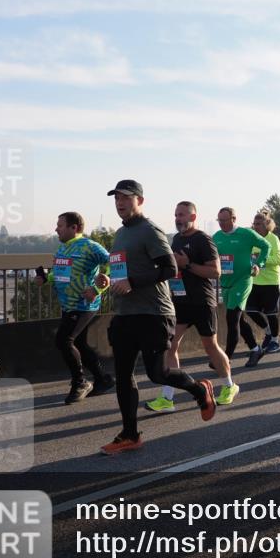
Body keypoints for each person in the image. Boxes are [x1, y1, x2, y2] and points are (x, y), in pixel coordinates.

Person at [99, 180, 215, 455]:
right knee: (123, 375)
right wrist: (108, 281)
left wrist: (133, 282)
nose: (120, 202)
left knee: (158, 373)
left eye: (126, 197)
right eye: (116, 198)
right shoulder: (120, 234)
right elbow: (124, 272)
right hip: (125, 313)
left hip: (154, 313)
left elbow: (169, 268)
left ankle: (200, 390)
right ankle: (130, 435)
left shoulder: (150, 230)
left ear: (139, 200)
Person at [145, 201, 237, 413]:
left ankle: (229, 386)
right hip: (180, 301)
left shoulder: (203, 239)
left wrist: (187, 264)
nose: (178, 219)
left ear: (193, 217)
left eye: (182, 215)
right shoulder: (176, 239)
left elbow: (215, 272)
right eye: (176, 215)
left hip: (202, 302)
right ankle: (167, 398)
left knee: (210, 347)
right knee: (170, 346)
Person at [36, 212, 113, 404]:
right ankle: (102, 379)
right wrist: (46, 278)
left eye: (60, 225)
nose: (56, 229)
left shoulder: (90, 246)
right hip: (67, 305)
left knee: (64, 340)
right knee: (79, 344)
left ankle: (80, 382)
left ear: (74, 227)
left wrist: (98, 287)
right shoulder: (62, 249)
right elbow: (60, 274)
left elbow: (114, 262)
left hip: (84, 304)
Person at [213, 207, 271, 362]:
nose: (221, 223)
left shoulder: (246, 234)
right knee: (239, 319)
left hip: (243, 281)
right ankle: (255, 349)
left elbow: (266, 246)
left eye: (224, 220)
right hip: (226, 283)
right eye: (219, 220)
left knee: (232, 318)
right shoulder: (216, 237)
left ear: (233, 219)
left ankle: (225, 358)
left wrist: (259, 264)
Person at [241, 210, 280, 366]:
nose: (255, 226)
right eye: (254, 224)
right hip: (254, 281)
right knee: (250, 310)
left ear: (267, 224)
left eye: (259, 224)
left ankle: (275, 341)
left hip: (271, 281)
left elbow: (278, 259)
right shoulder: (252, 239)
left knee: (271, 313)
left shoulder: (273, 239)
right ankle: (268, 332)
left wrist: (260, 259)